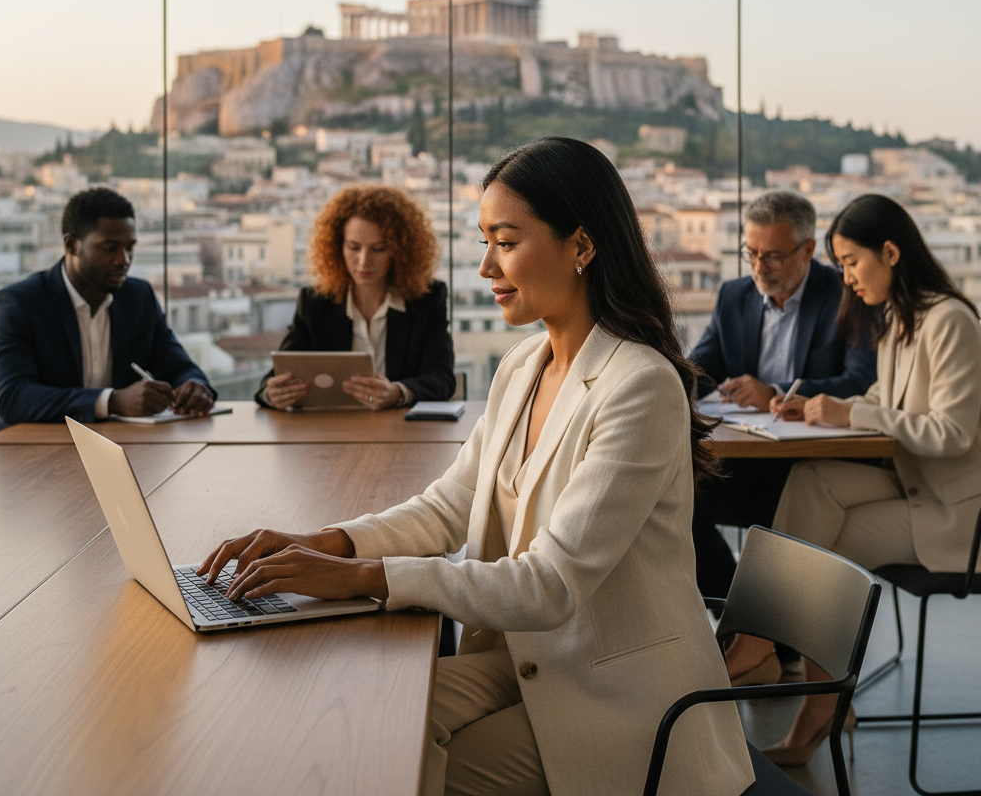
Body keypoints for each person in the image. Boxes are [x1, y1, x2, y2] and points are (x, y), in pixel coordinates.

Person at [201, 138, 755, 796]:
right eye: (485, 241)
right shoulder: (522, 365)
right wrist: (324, 543)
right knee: (365, 716)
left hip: (618, 692)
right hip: (531, 660)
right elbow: (448, 508)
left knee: (384, 764)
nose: (488, 265)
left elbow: (548, 585)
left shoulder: (640, 384)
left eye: (507, 242)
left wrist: (359, 576)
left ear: (581, 245)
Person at [725, 193, 981, 765]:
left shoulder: (950, 321)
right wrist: (819, 406)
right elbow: (884, 398)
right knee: (813, 479)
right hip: (914, 481)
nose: (845, 277)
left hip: (957, 513)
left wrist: (851, 413)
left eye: (851, 262)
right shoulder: (900, 319)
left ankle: (803, 688)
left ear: (890, 252)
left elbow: (953, 434)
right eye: (840, 265)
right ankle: (769, 647)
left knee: (824, 553)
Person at [689, 191, 876, 635]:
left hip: (815, 468)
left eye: (773, 255)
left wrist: (775, 392)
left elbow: (862, 381)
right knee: (677, 502)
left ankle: (768, 641)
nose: (759, 267)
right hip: (748, 463)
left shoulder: (846, 294)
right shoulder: (734, 296)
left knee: (789, 519)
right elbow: (697, 369)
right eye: (751, 253)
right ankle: (749, 632)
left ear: (808, 250)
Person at [0, 187, 215, 434]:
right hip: (26, 446)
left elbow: (178, 366)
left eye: (130, 247)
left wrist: (194, 386)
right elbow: (12, 397)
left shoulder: (139, 298)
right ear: (71, 245)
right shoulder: (20, 303)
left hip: (117, 443)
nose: (124, 260)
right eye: (110, 248)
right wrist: (112, 401)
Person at [256, 185, 454, 411]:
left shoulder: (427, 300)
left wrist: (398, 392)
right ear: (337, 247)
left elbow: (442, 379)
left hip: (401, 428)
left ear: (399, 250)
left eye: (378, 249)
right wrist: (272, 394)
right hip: (331, 427)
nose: (364, 261)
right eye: (353, 247)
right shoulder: (315, 303)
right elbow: (274, 378)